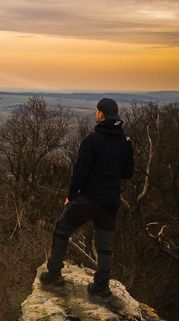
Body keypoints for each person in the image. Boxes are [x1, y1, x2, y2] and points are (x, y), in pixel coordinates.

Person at [41, 97, 134, 297]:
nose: (95, 114)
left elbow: (80, 173)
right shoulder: (126, 141)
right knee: (104, 244)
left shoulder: (92, 140)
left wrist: (71, 196)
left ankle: (54, 273)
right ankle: (101, 285)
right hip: (111, 201)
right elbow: (128, 173)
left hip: (90, 197)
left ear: (101, 114)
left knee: (62, 228)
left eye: (96, 111)